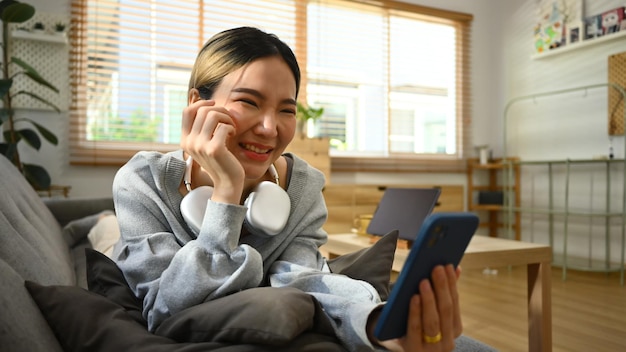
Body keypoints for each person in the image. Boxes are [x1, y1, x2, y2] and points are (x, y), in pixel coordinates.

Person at [111, 26, 464, 352]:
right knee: (101, 230)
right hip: (121, 238)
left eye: (286, 109)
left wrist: (377, 326)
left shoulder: (304, 186)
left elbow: (304, 280)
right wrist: (227, 190)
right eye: (249, 102)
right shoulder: (143, 182)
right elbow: (165, 309)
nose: (269, 128)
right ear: (196, 105)